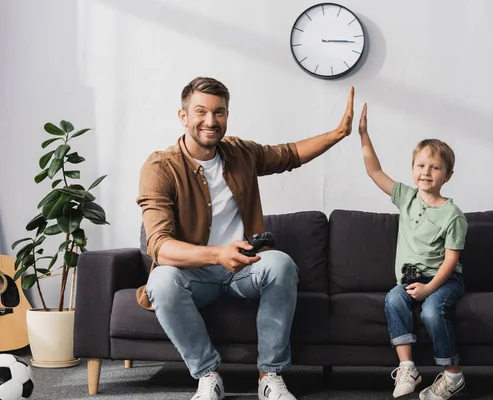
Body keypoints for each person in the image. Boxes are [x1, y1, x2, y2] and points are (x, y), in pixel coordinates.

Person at [136, 77, 355, 400]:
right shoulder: (160, 167)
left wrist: (337, 134)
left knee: (280, 264)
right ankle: (208, 375)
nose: (211, 121)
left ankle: (270, 375)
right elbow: (160, 246)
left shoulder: (240, 153)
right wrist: (217, 254)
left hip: (245, 269)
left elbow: (290, 154)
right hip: (193, 274)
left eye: (219, 112)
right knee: (161, 282)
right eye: (201, 112)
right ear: (183, 117)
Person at [357, 103, 468, 400]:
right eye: (421, 166)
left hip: (443, 280)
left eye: (434, 167)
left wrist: (430, 287)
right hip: (409, 278)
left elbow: (451, 259)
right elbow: (374, 170)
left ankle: (453, 374)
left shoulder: (453, 214)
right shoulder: (406, 197)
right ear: (413, 169)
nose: (426, 172)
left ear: (448, 175)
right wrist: (364, 135)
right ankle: (408, 367)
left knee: (432, 312)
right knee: (394, 298)